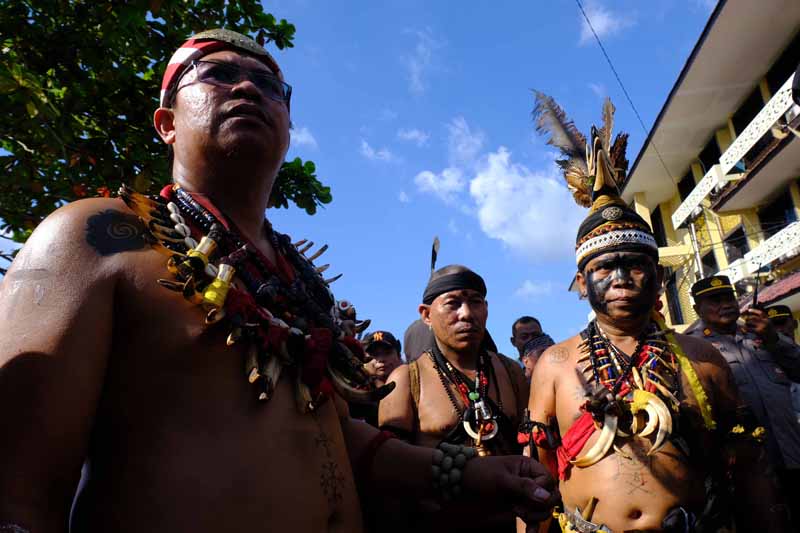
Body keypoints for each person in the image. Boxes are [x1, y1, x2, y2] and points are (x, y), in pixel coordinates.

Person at [0, 29, 558, 533]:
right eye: (217, 74)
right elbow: (16, 490)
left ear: (288, 128)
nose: (246, 88)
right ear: (166, 122)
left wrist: (470, 473)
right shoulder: (93, 237)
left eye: (269, 86)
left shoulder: (300, 284)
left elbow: (341, 442)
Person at [526, 96, 790, 533]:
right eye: (605, 268)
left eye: (635, 265)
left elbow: (749, 466)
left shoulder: (702, 357)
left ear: (658, 276)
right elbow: (533, 475)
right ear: (581, 283)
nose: (622, 278)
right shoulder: (554, 364)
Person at [379, 264, 532, 531]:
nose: (467, 314)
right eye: (453, 304)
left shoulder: (511, 374)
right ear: (426, 315)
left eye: (476, 303)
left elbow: (532, 450)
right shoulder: (405, 380)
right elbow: (390, 474)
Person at [687, 282, 800, 525]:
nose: (725, 304)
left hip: (791, 455)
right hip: (746, 471)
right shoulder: (691, 348)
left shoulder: (760, 333)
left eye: (729, 297)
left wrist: (773, 339)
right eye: (715, 300)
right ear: (697, 309)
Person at [350, 331, 403, 427]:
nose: (381, 359)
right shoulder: (357, 395)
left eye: (387, 353)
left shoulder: (415, 384)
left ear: (399, 355)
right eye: (374, 354)